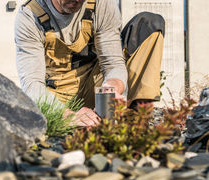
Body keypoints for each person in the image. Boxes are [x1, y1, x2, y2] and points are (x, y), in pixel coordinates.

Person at [15, 0, 165, 126]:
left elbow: (113, 63)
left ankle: (135, 119)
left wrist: (112, 87)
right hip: (57, 99)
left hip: (94, 87)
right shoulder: (30, 17)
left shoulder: (100, 4)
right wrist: (68, 115)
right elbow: (32, 84)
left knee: (149, 24)